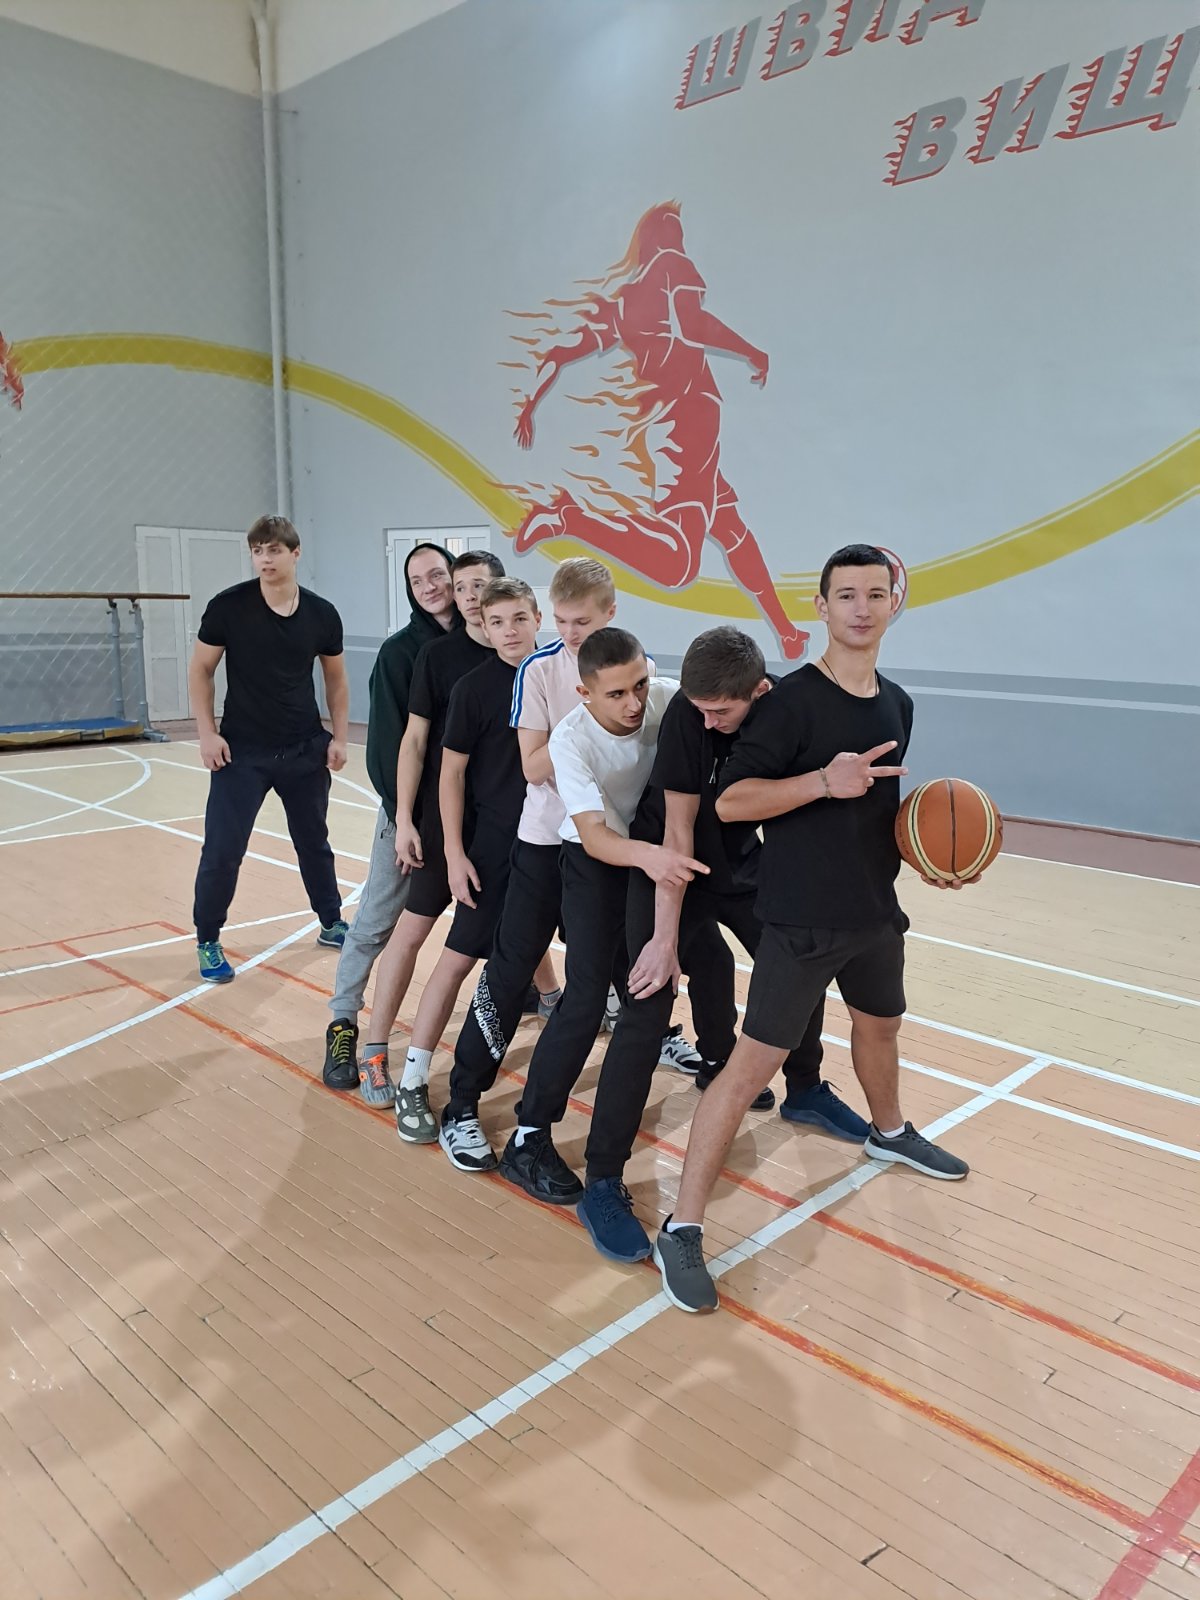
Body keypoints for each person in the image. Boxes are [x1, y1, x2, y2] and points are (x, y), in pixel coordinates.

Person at [652, 544, 973, 1315]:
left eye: (874, 594)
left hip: (874, 912)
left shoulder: (898, 704)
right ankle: (681, 1226)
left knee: (881, 1026)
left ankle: (888, 1131)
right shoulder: (790, 704)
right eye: (845, 595)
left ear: (893, 604)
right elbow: (732, 801)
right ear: (821, 608)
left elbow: (877, 808)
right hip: (799, 921)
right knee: (748, 1069)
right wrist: (824, 780)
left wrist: (928, 854)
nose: (861, 608)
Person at [576, 626, 870, 1264]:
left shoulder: (786, 712)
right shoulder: (689, 718)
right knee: (647, 1003)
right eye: (700, 709)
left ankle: (806, 1088)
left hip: (741, 865)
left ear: (758, 692)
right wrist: (663, 940)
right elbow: (678, 832)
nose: (708, 721)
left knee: (797, 961)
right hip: (668, 862)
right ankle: (601, 1180)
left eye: (721, 712)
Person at [437, 561, 699, 1175]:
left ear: (611, 613)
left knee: (621, 965)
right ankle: (462, 1102)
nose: (571, 633)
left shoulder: (634, 672)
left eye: (582, 622)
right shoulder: (542, 672)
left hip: (615, 848)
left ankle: (656, 1039)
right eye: (561, 622)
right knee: (511, 971)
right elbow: (532, 766)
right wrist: (586, 732)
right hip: (545, 841)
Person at [509, 201, 808, 660]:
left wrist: (531, 402)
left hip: (684, 427)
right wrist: (752, 351)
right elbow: (693, 323)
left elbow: (562, 353)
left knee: (732, 531)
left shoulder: (622, 304)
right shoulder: (672, 264)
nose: (679, 237)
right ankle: (569, 518)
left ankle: (786, 631)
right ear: (662, 238)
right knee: (678, 566)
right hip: (685, 422)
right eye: (674, 228)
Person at [496, 627, 708, 1203]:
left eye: (639, 685)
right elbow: (593, 837)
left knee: (664, 977)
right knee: (585, 1000)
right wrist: (656, 859)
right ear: (584, 692)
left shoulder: (667, 697)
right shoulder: (569, 740)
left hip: (648, 854)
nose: (634, 703)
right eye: (616, 693)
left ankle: (715, 1059)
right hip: (596, 862)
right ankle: (527, 1138)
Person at [355, 551, 557, 1107]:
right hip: (446, 827)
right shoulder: (442, 661)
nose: (469, 596)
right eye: (462, 588)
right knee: (414, 932)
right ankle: (376, 1049)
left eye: (478, 586)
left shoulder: (543, 668)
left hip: (512, 831)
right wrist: (404, 819)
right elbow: (420, 746)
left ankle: (551, 997)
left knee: (516, 918)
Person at [389, 577, 544, 1141]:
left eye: (519, 619)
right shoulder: (473, 689)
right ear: (482, 623)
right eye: (497, 621)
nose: (509, 631)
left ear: (538, 618)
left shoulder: (561, 675)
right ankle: (413, 1076)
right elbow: (449, 775)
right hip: (494, 849)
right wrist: (454, 855)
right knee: (456, 960)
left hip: (558, 847)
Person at [189, 515, 348, 983]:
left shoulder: (322, 614)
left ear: (295, 554)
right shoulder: (228, 607)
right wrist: (207, 733)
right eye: (258, 551)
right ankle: (207, 939)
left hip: (304, 750)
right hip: (241, 753)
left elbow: (336, 680)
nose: (265, 559)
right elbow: (201, 670)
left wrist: (339, 737)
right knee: (223, 849)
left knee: (314, 843)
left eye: (274, 550)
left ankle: (331, 921)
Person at [322, 543, 458, 1089]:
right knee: (375, 923)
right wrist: (403, 819)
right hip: (411, 818)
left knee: (506, 911)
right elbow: (388, 747)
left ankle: (540, 993)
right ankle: (343, 1022)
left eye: (437, 575)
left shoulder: (482, 643)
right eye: (418, 580)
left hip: (470, 816)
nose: (430, 587)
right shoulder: (400, 653)